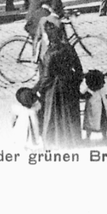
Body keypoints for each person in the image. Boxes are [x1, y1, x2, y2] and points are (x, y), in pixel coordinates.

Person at [32, 20, 83, 149]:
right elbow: (79, 69)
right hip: (70, 85)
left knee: (54, 116)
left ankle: (55, 141)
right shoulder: (69, 48)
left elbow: (47, 76)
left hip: (54, 89)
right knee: (70, 115)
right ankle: (72, 140)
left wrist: (39, 90)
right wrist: (75, 83)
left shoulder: (50, 54)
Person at [81, 69, 107, 141]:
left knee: (90, 121)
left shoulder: (90, 90)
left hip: (93, 108)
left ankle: (88, 137)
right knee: (104, 122)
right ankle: (105, 136)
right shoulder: (102, 88)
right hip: (103, 107)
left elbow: (83, 97)